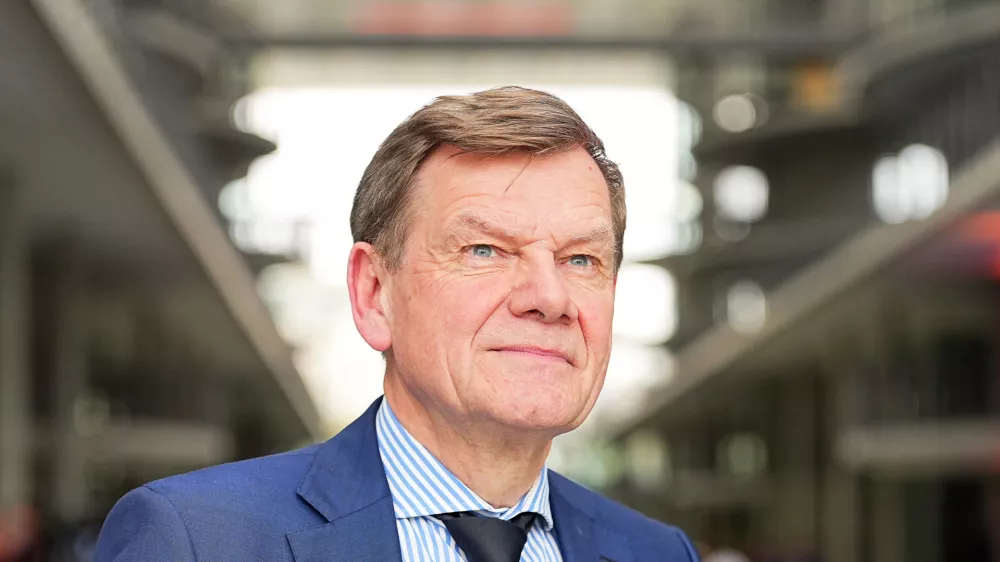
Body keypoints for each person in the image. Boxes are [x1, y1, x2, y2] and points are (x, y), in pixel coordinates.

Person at [94, 86, 700, 562]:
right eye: (485, 249)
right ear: (374, 293)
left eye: (581, 259)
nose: (549, 296)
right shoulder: (197, 542)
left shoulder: (656, 553)